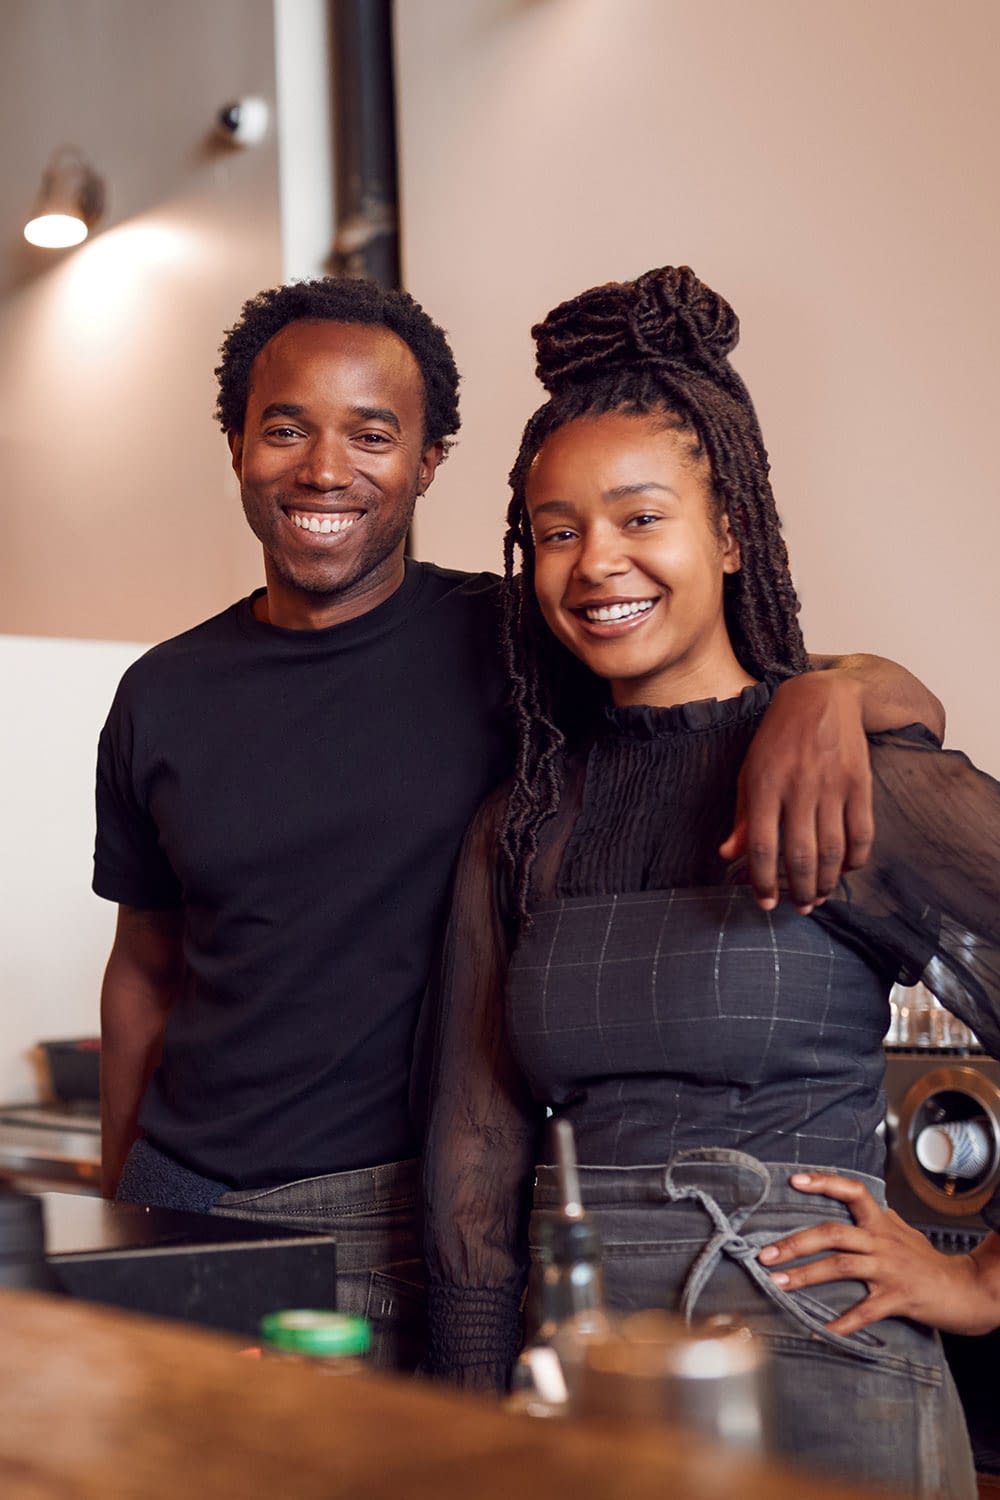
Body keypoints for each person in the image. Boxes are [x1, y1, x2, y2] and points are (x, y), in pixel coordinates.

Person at [94, 275, 942, 1374]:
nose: (323, 469)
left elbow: (733, 679)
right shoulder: (162, 694)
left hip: (393, 1220)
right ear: (236, 442)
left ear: (428, 460)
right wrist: (126, 1216)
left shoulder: (517, 638)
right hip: (181, 1200)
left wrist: (823, 694)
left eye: (372, 433)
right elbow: (143, 974)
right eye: (285, 428)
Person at [419, 265, 1000, 1494]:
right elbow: (477, 1146)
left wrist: (980, 1282)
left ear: (729, 532)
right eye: (558, 531)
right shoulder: (522, 823)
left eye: (640, 519)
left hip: (820, 1365)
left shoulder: (857, 779)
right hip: (582, 1385)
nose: (595, 565)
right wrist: (470, 1419)